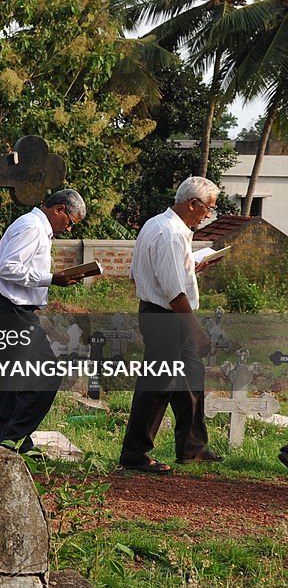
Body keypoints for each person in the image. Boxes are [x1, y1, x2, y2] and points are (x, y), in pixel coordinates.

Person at [119, 176, 224, 474]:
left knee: (191, 378)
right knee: (158, 385)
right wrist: (198, 331)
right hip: (167, 316)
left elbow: (153, 271)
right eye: (208, 209)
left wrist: (191, 265)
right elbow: (174, 293)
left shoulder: (160, 225)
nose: (208, 216)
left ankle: (193, 447)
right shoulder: (169, 233)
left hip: (165, 313)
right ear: (192, 204)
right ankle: (134, 453)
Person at [0, 189, 86, 455]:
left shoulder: (33, 226)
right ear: (59, 209)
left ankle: (10, 440)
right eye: (71, 222)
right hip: (10, 309)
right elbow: (8, 267)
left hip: (5, 307)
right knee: (47, 373)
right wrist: (53, 278)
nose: (69, 228)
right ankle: (13, 436)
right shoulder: (33, 227)